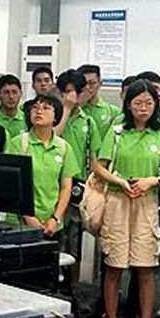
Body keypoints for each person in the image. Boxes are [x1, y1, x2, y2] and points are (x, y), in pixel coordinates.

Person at [94, 79, 160, 318]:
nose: (143, 108)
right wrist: (119, 182)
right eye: (138, 103)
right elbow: (99, 168)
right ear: (128, 105)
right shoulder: (117, 132)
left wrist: (151, 181)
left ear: (156, 104)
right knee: (114, 267)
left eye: (149, 103)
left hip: (147, 204)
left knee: (145, 269)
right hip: (117, 203)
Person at [5, 94, 80, 245]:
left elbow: (66, 187)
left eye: (46, 108)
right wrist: (28, 217)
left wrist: (55, 218)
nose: (39, 111)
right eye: (35, 108)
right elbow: (11, 184)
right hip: (20, 222)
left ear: (56, 116)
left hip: (52, 224)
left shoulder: (63, 147)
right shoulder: (18, 143)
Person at [52, 69, 97, 286]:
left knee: (74, 244)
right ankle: (53, 285)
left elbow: (94, 158)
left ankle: (73, 289)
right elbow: (53, 136)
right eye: (68, 91)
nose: (72, 96)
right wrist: (67, 109)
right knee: (55, 241)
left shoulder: (88, 122)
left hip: (77, 189)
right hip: (54, 188)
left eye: (76, 91)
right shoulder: (53, 115)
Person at [80, 64, 122, 131]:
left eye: (92, 83)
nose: (87, 87)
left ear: (100, 84)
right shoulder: (74, 111)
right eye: (84, 84)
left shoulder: (113, 112)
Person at [0, 74, 25, 152]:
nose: (11, 97)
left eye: (14, 92)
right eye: (6, 92)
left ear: (21, 94)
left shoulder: (28, 120)